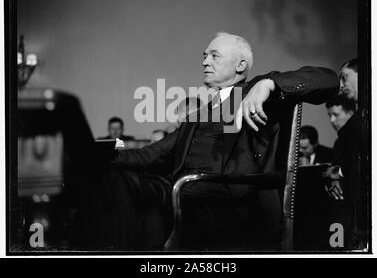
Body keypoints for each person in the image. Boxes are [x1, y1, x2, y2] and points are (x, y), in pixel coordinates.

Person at [73, 32, 338, 251]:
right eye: (204, 56)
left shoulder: (254, 94)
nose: (205, 62)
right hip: (180, 190)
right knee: (112, 178)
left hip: (228, 199)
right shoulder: (197, 116)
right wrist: (94, 151)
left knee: (149, 214)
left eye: (214, 55)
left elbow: (328, 79)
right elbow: (148, 155)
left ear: (240, 66)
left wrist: (269, 83)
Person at [324, 58, 366, 249]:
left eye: (345, 78)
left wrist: (338, 173)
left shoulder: (359, 123)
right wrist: (336, 179)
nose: (341, 86)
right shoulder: (352, 127)